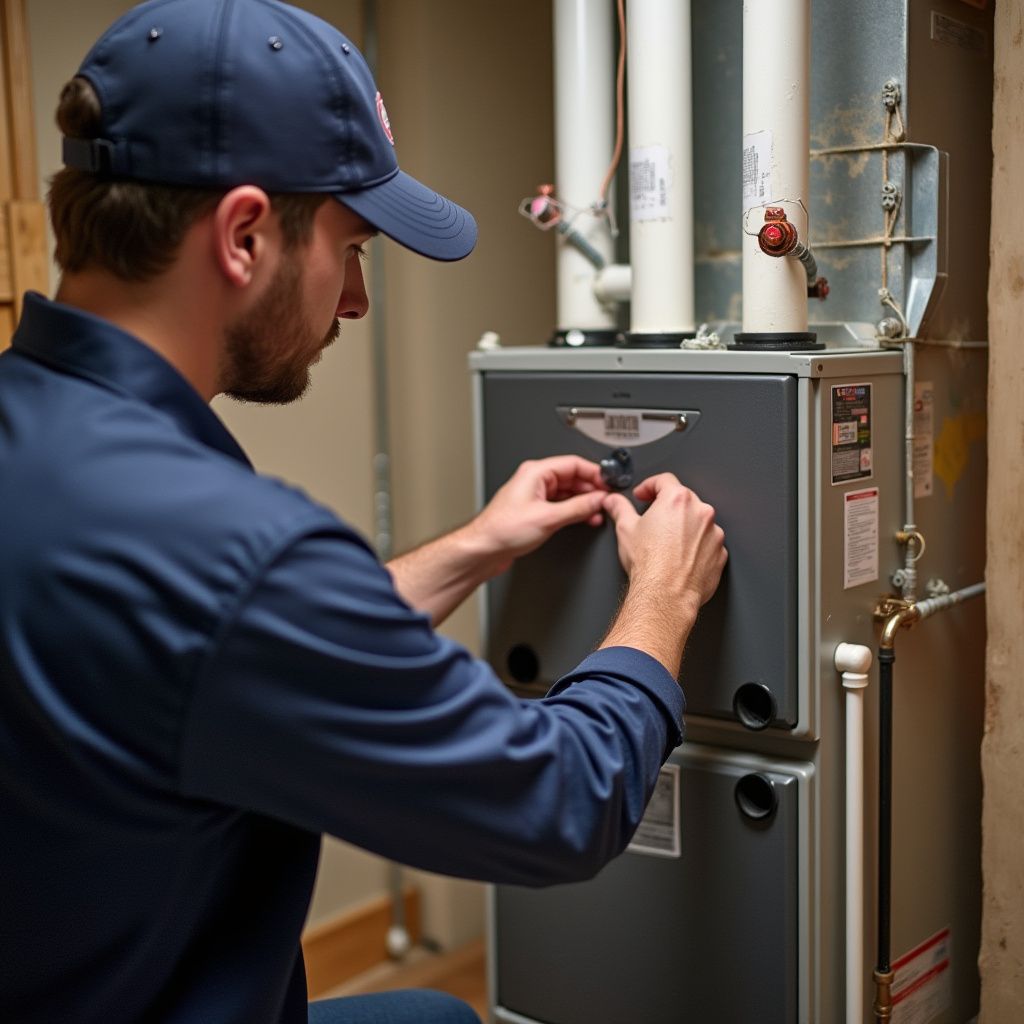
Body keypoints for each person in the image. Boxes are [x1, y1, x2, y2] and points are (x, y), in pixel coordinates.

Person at [0, 2, 727, 1023]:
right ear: (245, 234)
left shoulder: (41, 438)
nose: (356, 302)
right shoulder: (225, 544)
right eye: (351, 247)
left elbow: (214, 649)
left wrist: (475, 547)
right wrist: (662, 595)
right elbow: (561, 801)